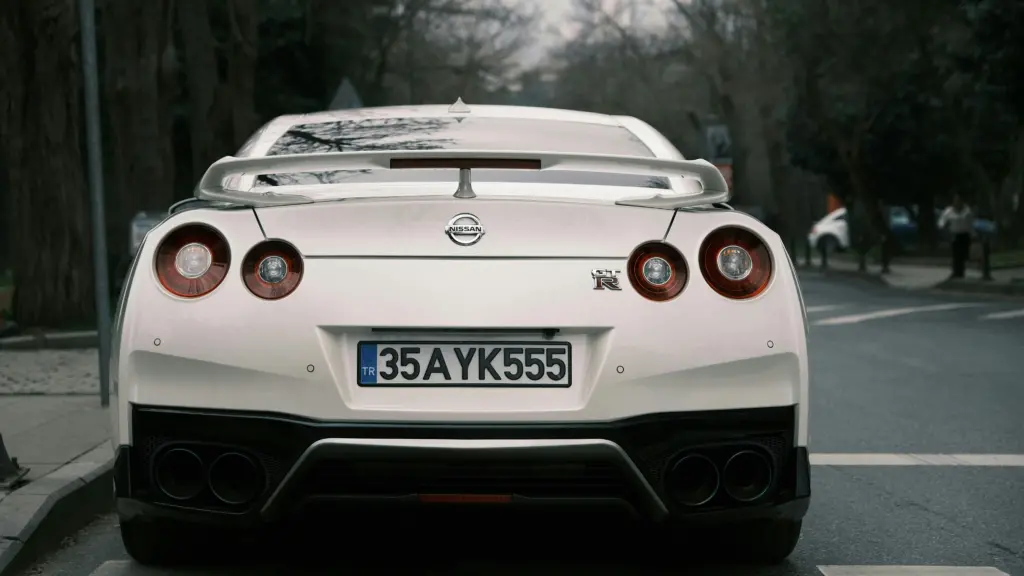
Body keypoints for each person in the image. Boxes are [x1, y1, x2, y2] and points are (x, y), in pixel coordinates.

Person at [938, 194, 975, 278]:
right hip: (954, 235)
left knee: (963, 254)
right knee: (956, 254)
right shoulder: (948, 211)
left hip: (965, 234)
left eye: (959, 201)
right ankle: (956, 272)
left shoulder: (967, 211)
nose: (957, 203)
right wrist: (944, 229)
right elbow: (942, 222)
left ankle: (961, 271)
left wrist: (973, 235)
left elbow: (970, 224)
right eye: (956, 201)